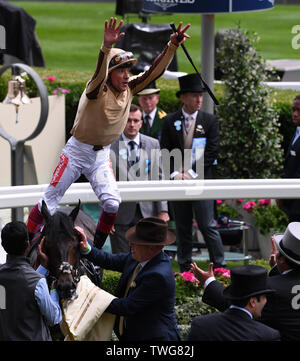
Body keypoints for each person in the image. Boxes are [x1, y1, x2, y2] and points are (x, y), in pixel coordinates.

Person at [26, 17, 190, 249]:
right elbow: (97, 75)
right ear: (110, 72)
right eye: (121, 71)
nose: (126, 75)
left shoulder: (131, 88)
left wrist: (172, 45)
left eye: (128, 70)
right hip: (75, 152)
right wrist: (105, 48)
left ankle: (94, 251)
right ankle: (24, 249)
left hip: (100, 156)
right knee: (48, 202)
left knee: (112, 203)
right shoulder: (95, 89)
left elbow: (153, 73)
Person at [160, 73, 225, 272]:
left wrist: (191, 173)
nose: (199, 99)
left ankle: (220, 266)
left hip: (201, 182)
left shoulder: (209, 121)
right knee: (182, 227)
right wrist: (174, 174)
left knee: (207, 225)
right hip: (179, 182)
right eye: (195, 95)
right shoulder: (170, 121)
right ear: (183, 97)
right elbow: (165, 152)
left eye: (201, 95)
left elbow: (212, 151)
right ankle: (185, 269)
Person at [192, 222, 300, 341]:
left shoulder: (272, 287)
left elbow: (238, 306)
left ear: (282, 260)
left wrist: (209, 281)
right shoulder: (276, 283)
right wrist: (277, 269)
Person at [79, 217, 180, 341]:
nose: (130, 244)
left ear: (152, 248)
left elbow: (126, 307)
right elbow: (109, 260)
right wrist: (86, 247)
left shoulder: (158, 276)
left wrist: (89, 296)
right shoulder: (137, 257)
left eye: (136, 242)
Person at [109, 104, 169, 253]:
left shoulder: (153, 144)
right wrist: (107, 216)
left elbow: (159, 178)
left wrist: (163, 209)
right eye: (128, 120)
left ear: (141, 123)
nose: (132, 124)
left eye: (136, 120)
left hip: (147, 212)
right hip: (120, 212)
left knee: (148, 258)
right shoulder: (109, 146)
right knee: (120, 260)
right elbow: (104, 183)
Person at [0, 221, 62, 341]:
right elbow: (53, 318)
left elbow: (18, 293)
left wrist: (43, 268)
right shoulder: (37, 282)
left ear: (3, 245)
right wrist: (54, 290)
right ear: (28, 245)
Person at [187, 264, 280, 341]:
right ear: (253, 302)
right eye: (265, 297)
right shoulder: (268, 335)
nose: (266, 301)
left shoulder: (200, 324)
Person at [280, 95, 300, 222]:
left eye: (299, 110)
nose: (295, 114)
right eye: (293, 110)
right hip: (292, 202)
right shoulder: (296, 132)